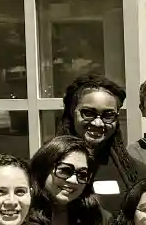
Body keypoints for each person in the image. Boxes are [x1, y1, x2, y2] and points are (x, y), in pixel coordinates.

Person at [60, 76, 140, 209]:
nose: (98, 123)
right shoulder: (47, 167)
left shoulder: (134, 170)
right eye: (88, 113)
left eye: (108, 115)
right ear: (72, 113)